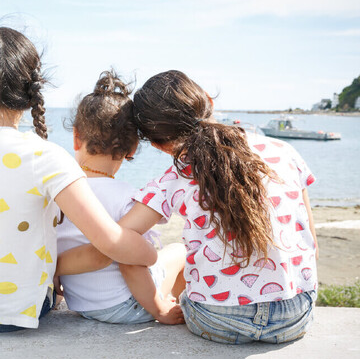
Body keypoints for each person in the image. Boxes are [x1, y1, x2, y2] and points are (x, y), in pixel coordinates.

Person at [0, 26, 158, 334]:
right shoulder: (45, 156)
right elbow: (109, 243)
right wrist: (152, 254)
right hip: (7, 315)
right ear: (32, 88)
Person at [63, 70, 318, 344]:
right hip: (294, 316)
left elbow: (119, 243)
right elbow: (311, 242)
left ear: (160, 145)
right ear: (209, 99)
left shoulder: (176, 176)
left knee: (182, 255)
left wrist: (57, 266)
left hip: (217, 320)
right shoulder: (284, 151)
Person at [55, 70, 185, 325]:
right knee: (179, 250)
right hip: (127, 306)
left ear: (76, 136)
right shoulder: (127, 197)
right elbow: (131, 263)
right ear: (133, 148)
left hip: (82, 303)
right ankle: (175, 304)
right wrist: (158, 310)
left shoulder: (63, 192)